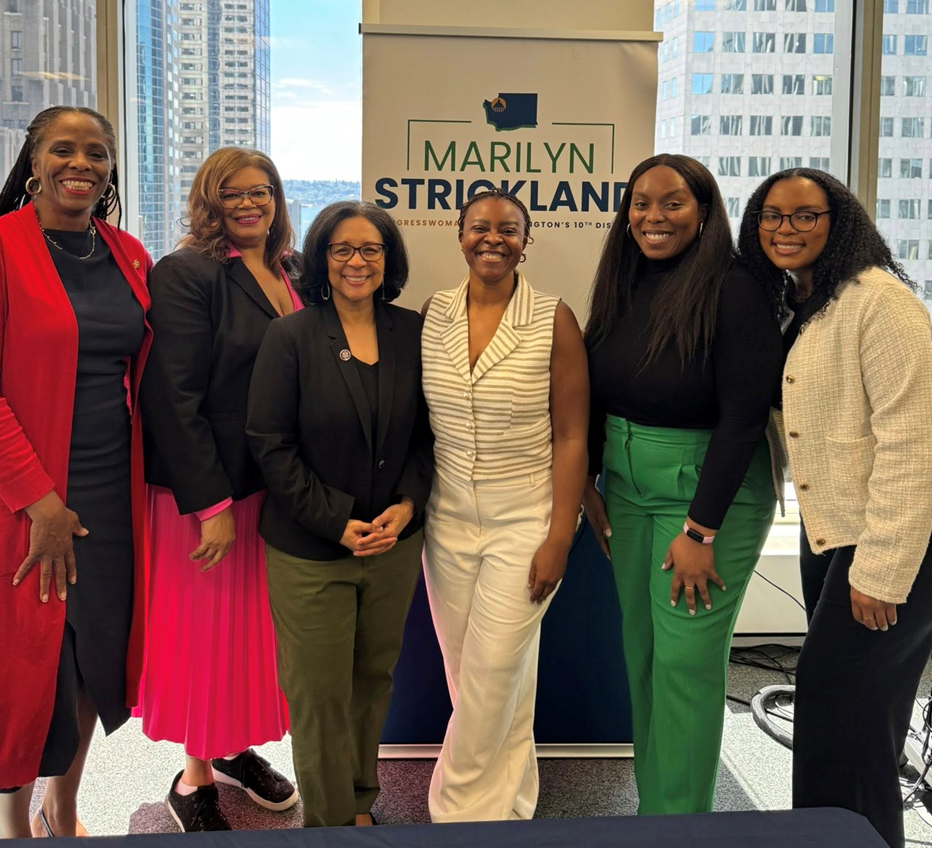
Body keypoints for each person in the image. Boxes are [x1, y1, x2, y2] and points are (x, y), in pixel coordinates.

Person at [0, 106, 151, 837]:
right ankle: (12, 824)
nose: (81, 164)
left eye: (96, 153)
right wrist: (40, 503)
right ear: (33, 162)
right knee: (17, 667)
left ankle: (61, 804)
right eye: (63, 150)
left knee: (93, 653)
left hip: (110, 488)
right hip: (21, 495)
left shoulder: (128, 253)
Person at [737, 168, 932, 848]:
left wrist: (881, 569)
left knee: (838, 716)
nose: (784, 228)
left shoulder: (880, 303)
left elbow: (913, 441)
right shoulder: (801, 301)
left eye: (804, 215)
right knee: (850, 724)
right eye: (770, 215)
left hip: (889, 542)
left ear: (838, 220)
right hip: (833, 532)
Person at [582, 154, 782, 815]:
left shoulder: (734, 289)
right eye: (640, 203)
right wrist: (587, 481)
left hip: (706, 498)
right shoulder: (624, 279)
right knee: (642, 654)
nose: (653, 216)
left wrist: (700, 531)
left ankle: (680, 827)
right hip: (627, 488)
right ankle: (657, 814)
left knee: (685, 665)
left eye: (672, 202)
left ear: (703, 211)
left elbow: (743, 419)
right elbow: (597, 391)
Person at [247, 200, 433, 828]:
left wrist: (408, 504)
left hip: (393, 545)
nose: (357, 261)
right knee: (319, 694)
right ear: (322, 258)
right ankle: (327, 826)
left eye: (371, 249)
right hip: (312, 548)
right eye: (342, 249)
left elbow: (427, 435)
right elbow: (270, 444)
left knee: (372, 679)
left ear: (388, 258)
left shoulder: (412, 331)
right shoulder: (291, 336)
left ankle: (357, 805)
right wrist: (336, 521)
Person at [138, 147, 298, 832]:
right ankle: (193, 775)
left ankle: (233, 749)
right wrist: (211, 505)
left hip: (270, 489)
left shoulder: (289, 271)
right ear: (209, 201)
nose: (249, 203)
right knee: (205, 638)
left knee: (248, 637)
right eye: (232, 193)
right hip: (207, 494)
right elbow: (172, 398)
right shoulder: (186, 272)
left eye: (261, 191)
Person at [421, 187, 589, 822]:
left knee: (491, 675)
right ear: (460, 234)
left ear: (526, 240)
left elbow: (571, 436)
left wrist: (559, 537)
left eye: (508, 229)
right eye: (480, 227)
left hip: (525, 520)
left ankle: (456, 816)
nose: (493, 238)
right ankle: (513, 807)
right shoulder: (432, 314)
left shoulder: (553, 318)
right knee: (475, 676)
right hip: (446, 522)